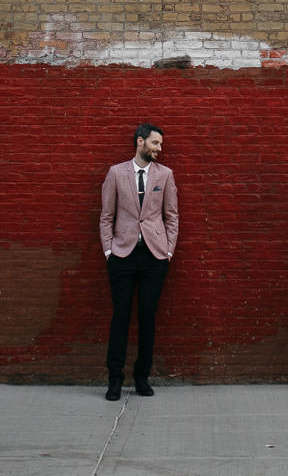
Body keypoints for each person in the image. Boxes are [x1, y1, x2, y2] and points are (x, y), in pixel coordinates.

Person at [100, 122, 178, 400]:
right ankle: (115, 379)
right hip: (122, 255)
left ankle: (142, 377)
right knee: (120, 316)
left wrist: (168, 250)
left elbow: (172, 215)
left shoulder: (165, 175)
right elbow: (106, 215)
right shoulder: (116, 173)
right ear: (140, 142)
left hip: (154, 258)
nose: (159, 148)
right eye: (155, 143)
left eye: (160, 144)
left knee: (147, 316)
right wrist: (109, 251)